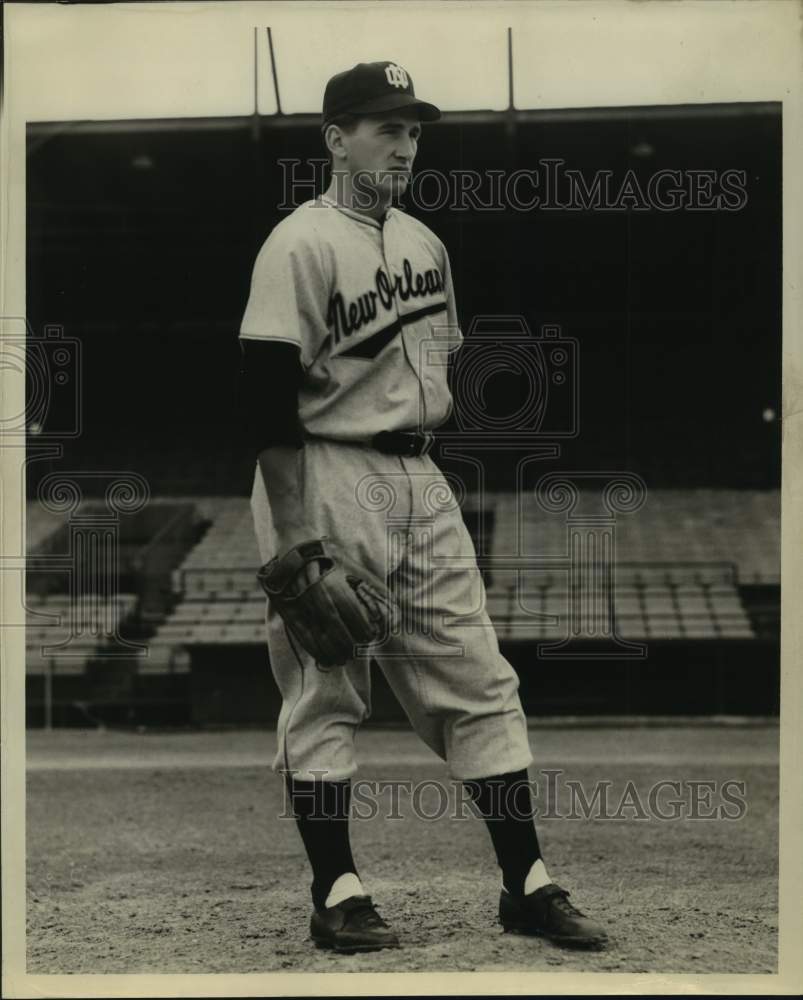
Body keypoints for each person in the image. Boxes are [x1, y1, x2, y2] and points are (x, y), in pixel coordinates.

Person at [238, 60, 607, 954]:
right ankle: (338, 892)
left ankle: (527, 882)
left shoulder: (424, 244)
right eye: (381, 127)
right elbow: (261, 398)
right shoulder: (298, 243)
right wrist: (297, 538)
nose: (401, 144)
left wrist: (424, 475)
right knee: (327, 686)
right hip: (325, 467)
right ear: (335, 139)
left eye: (410, 129)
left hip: (418, 472)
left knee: (478, 677)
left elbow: (432, 372)